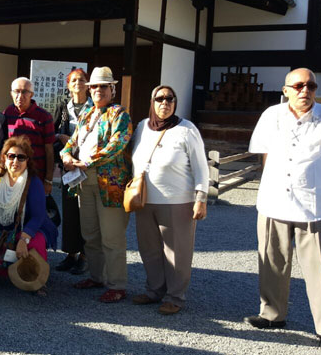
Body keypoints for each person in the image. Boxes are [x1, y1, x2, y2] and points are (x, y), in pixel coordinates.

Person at [245, 68, 321, 353]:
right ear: (286, 90)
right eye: (299, 86)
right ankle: (272, 314)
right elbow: (265, 154)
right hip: (274, 203)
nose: (305, 91)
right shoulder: (271, 116)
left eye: (311, 86)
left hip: (315, 206)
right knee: (272, 263)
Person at [130, 85, 209, 315]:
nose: (164, 103)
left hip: (177, 200)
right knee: (149, 249)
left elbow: (201, 166)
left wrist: (201, 197)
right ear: (152, 102)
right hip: (145, 200)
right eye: (159, 99)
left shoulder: (187, 129)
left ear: (175, 102)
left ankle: (175, 296)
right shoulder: (142, 126)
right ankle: (154, 290)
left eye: (170, 99)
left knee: (176, 251)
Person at [60, 66, 132, 303]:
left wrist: (87, 162)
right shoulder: (87, 114)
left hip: (109, 183)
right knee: (90, 233)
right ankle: (97, 276)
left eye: (103, 86)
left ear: (112, 89)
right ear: (89, 90)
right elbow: (71, 142)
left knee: (112, 236)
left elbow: (117, 145)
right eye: (95, 86)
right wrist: (66, 155)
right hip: (84, 180)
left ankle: (117, 284)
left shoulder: (119, 114)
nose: (98, 90)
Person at [0, 136, 57, 295]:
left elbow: (37, 217)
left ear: (27, 160)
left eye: (21, 157)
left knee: (35, 242)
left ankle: (35, 278)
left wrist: (24, 239)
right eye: (11, 156)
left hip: (28, 229)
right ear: (4, 158)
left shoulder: (33, 182)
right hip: (1, 229)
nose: (15, 161)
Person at [52, 68, 91, 275]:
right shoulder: (63, 107)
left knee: (86, 211)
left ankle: (85, 255)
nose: (78, 83)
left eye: (82, 79)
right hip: (68, 167)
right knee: (70, 211)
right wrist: (61, 138)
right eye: (74, 80)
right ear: (68, 85)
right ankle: (70, 253)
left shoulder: (94, 107)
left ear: (88, 84)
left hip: (88, 166)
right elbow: (52, 132)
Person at [4, 77, 55, 196]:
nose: (20, 96)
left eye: (24, 92)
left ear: (31, 94)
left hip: (36, 175)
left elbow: (49, 150)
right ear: (11, 94)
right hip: (12, 175)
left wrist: (48, 180)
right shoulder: (8, 113)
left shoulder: (44, 117)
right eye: (16, 91)